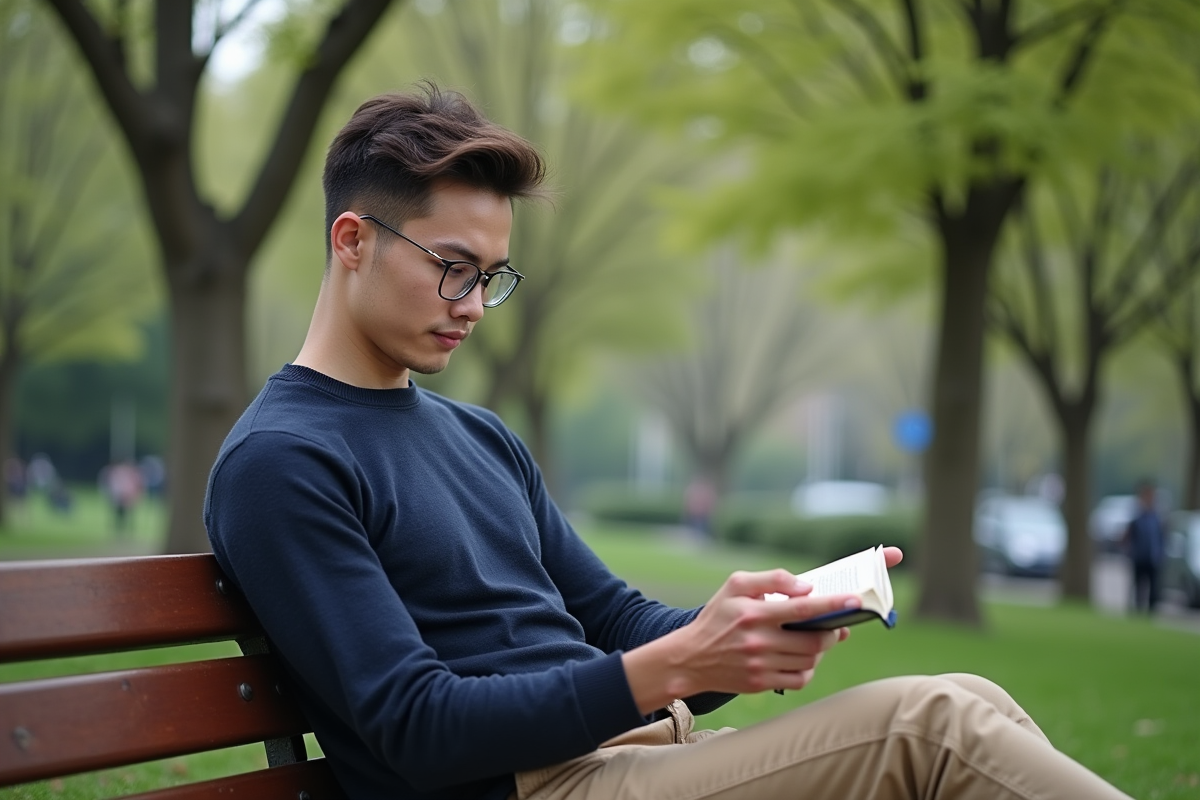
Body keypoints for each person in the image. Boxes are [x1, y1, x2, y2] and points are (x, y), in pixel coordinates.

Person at [204, 84, 1133, 800]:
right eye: (453, 269)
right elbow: (414, 725)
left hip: (650, 759)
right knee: (931, 728)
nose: (475, 307)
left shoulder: (479, 439)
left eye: (492, 276)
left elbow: (613, 621)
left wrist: (755, 625)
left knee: (968, 693)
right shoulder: (283, 463)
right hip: (537, 787)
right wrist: (678, 665)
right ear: (353, 240)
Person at [1123, 479, 1167, 614]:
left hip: (1153, 557)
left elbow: (1162, 537)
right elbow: (1129, 536)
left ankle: (1151, 611)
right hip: (1139, 557)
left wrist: (1161, 553)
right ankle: (1137, 610)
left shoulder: (1158, 517)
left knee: (1153, 587)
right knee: (1138, 586)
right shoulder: (1137, 516)